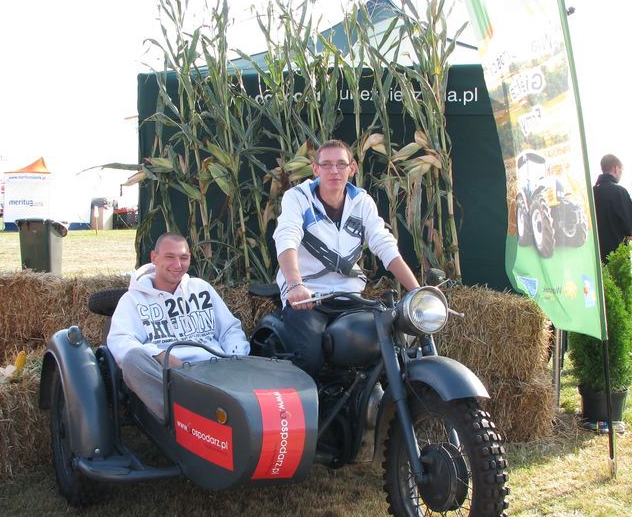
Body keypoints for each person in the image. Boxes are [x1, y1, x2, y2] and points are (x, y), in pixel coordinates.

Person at [272, 139, 420, 377]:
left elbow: (383, 244)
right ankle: (312, 411)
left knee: (389, 346)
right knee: (309, 359)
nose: (334, 171)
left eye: (341, 164)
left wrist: (417, 291)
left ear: (352, 168)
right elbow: (287, 236)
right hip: (308, 297)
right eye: (327, 164)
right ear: (316, 169)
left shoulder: (361, 202)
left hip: (349, 297)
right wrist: (295, 284)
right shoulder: (297, 197)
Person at [107, 232, 250, 421]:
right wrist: (161, 356)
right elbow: (120, 341)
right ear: (154, 258)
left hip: (215, 370)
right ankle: (187, 416)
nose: (177, 265)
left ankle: (221, 408)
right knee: (133, 359)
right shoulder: (133, 299)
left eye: (183, 258)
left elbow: (230, 329)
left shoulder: (201, 288)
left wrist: (234, 359)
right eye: (170, 257)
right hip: (170, 378)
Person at [592, 154, 632, 262]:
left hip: (595, 253)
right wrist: (631, 232)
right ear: (616, 168)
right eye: (621, 170)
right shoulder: (620, 192)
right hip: (616, 252)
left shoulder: (591, 192)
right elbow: (629, 226)